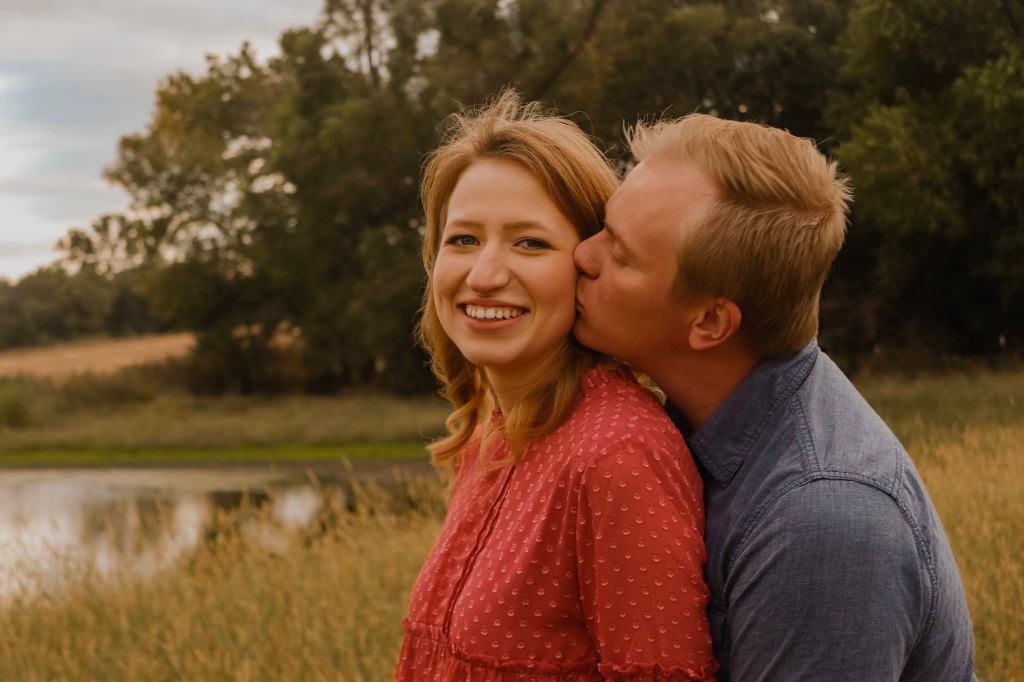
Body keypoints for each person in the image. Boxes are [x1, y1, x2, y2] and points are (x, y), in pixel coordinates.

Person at [573, 114, 976, 680]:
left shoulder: (823, 522)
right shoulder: (687, 425)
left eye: (620, 255)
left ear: (710, 322)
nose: (582, 255)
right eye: (603, 227)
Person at [395, 92, 718, 680]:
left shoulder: (616, 455)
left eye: (531, 242)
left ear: (590, 263)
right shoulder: (491, 436)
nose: (484, 275)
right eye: (463, 239)